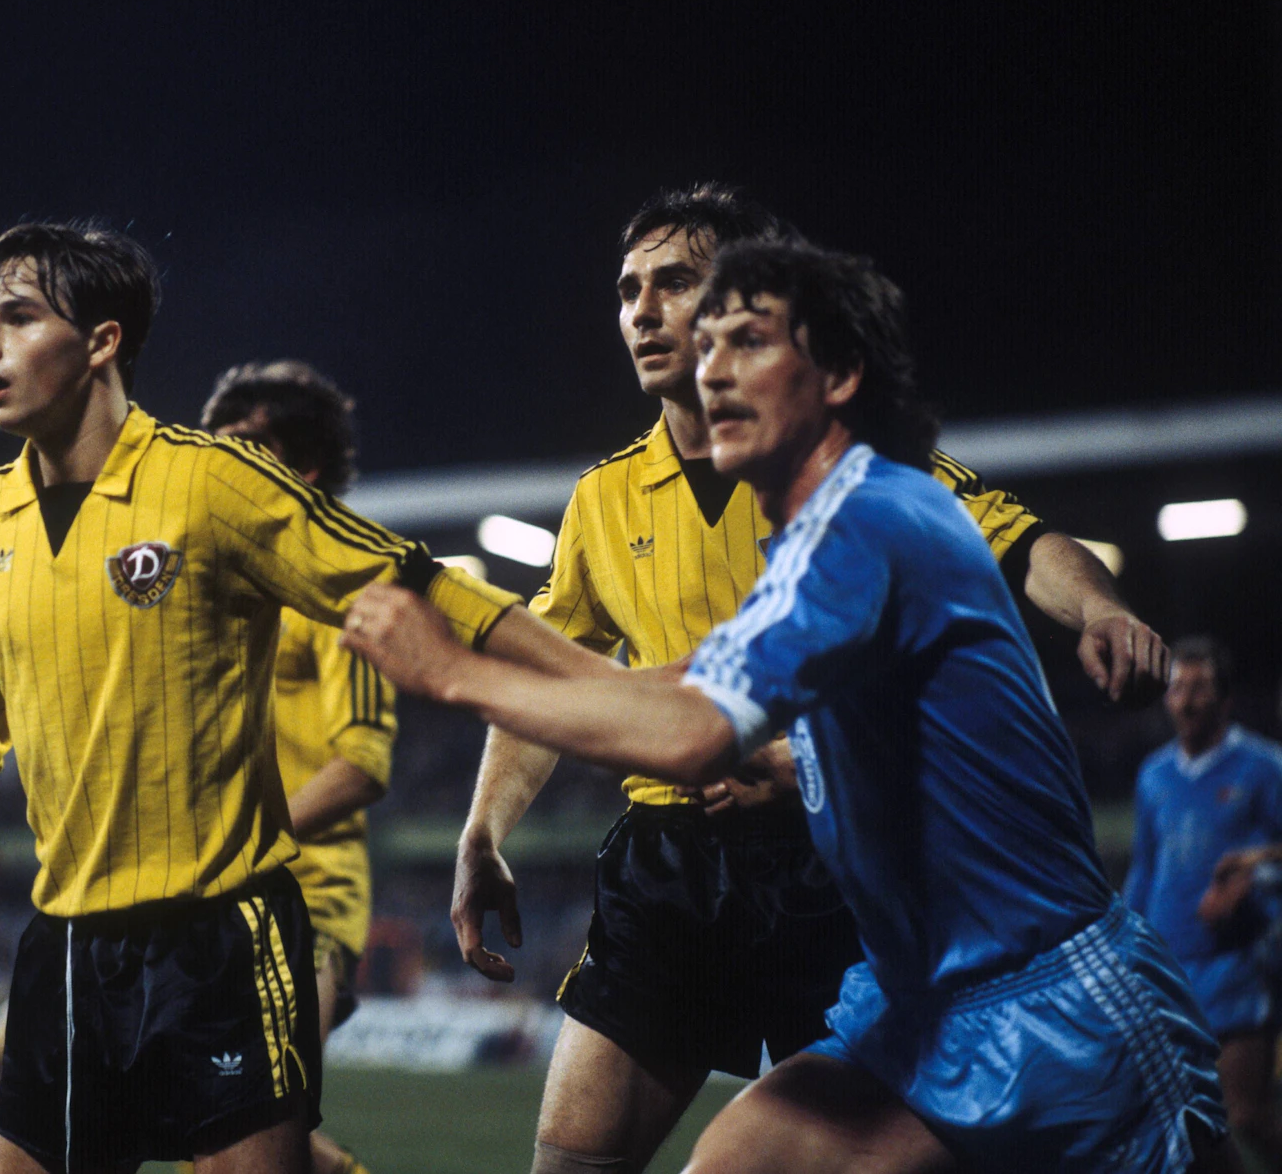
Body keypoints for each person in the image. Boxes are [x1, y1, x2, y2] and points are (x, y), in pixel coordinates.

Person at [343, 237, 1234, 1172]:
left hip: (1055, 1006)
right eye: (712, 342)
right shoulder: (794, 541)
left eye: (751, 341)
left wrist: (448, 666)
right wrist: (484, 789)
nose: (715, 366)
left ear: (841, 373)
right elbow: (675, 687)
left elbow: (689, 729)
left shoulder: (878, 516)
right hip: (908, 1004)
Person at [0, 221, 569, 1174]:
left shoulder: (210, 481)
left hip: (221, 937)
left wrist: (599, 682)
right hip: (65, 942)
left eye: (17, 316)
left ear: (104, 340)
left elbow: (409, 580)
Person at [204, 359, 394, 1174]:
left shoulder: (344, 589)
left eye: (247, 444)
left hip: (304, 895)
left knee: (245, 1141)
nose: (219, 460)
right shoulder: (199, 580)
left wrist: (242, 840)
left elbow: (361, 761)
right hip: (192, 891)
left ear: (305, 468)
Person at [1128, 637, 1282, 1166]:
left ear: (1225, 700)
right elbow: (1145, 865)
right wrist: (1128, 941)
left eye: (1199, 688)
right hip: (1171, 968)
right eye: (1177, 688)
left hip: (1238, 963)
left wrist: (1254, 880)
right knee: (1183, 1122)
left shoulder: (1263, 766)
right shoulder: (1154, 773)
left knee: (1246, 1115)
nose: (1187, 701)